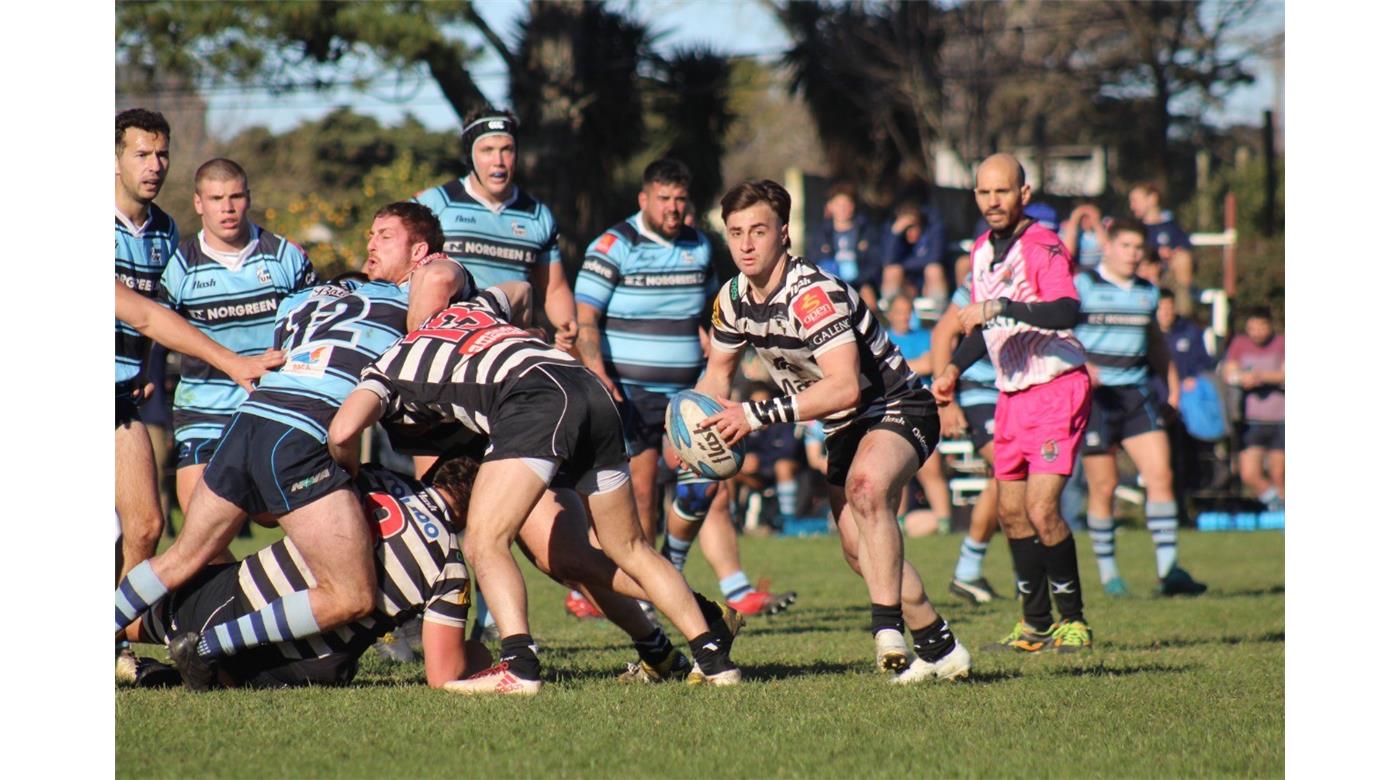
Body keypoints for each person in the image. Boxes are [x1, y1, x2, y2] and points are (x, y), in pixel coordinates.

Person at [328, 278, 744, 693]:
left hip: (532, 402)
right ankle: (713, 659)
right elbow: (521, 288)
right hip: (587, 388)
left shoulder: (387, 364)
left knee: (485, 542)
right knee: (628, 547)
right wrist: (528, 330)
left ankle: (518, 665)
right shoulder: (472, 311)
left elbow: (343, 432)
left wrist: (352, 477)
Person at [113, 203, 465, 690]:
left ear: (418, 248)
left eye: (384, 235)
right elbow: (448, 277)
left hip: (246, 424)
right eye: (371, 233)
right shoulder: (413, 288)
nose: (370, 243)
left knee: (180, 559)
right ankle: (210, 647)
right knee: (352, 595)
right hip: (302, 432)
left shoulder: (307, 298)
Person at [700, 179, 971, 685]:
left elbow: (845, 387)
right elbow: (717, 375)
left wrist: (754, 415)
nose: (746, 244)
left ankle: (886, 630)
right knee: (857, 548)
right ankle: (940, 645)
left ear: (784, 233)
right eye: (735, 232)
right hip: (842, 426)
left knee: (868, 489)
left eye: (758, 230)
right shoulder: (732, 298)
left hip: (896, 405)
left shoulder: (812, 294)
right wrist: (695, 429)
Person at [932, 153, 1094, 654]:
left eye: (1002, 191)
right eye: (984, 192)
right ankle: (1035, 625)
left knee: (1044, 509)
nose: (992, 201)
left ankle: (1075, 622)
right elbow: (986, 326)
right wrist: (954, 369)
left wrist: (999, 305)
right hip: (1012, 394)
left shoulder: (1043, 245)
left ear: (1024, 194)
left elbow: (1069, 308)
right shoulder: (981, 249)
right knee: (1010, 512)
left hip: (1056, 386)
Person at [161, 158, 318, 513]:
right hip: (204, 410)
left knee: (282, 519)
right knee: (197, 519)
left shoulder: (285, 257)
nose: (227, 208)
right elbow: (157, 331)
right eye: (216, 199)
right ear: (199, 204)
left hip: (274, 406)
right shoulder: (179, 267)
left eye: (235, 196)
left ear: (249, 197)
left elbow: (318, 327)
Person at [1074, 217, 1207, 597]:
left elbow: (1157, 345)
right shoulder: (1083, 285)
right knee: (1105, 487)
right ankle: (1109, 574)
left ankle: (1169, 572)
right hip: (1095, 398)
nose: (1133, 255)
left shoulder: (1148, 293)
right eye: (1126, 246)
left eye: (1138, 248)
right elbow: (1061, 334)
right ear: (1109, 246)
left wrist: (1173, 389)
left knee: (1160, 475)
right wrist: (1081, 361)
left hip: (1136, 395)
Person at [414, 106, 576, 352]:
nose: (498, 161)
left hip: (510, 346)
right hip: (448, 343)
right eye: (487, 150)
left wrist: (567, 325)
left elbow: (554, 288)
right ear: (470, 156)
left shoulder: (537, 215)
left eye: (506, 150)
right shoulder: (435, 202)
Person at [115, 108, 180, 583]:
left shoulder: (166, 231)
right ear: (114, 160)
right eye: (142, 154)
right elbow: (142, 314)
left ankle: (115, 645)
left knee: (146, 525)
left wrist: (148, 370)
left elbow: (163, 313)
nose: (154, 164)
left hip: (121, 396)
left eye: (161, 154)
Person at [930, 275, 1005, 605]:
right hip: (980, 392)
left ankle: (973, 572)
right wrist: (946, 402)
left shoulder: (1042, 274)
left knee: (1011, 481)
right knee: (1010, 470)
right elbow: (942, 334)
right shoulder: (980, 278)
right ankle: (968, 570)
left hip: (1021, 391)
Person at [884, 294, 953, 536]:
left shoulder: (924, 337)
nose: (903, 316)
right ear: (890, 314)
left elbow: (931, 364)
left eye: (907, 310)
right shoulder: (883, 338)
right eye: (899, 311)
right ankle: (897, 524)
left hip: (922, 412)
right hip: (891, 411)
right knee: (894, 471)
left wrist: (896, 367)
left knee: (931, 468)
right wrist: (915, 365)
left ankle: (945, 523)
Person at [1222, 307, 1285, 511]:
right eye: (1252, 328)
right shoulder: (1239, 344)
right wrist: (1241, 377)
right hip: (1251, 419)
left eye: (1261, 327)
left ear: (1270, 325)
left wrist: (1259, 376)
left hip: (1280, 417)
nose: (1256, 332)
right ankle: (1278, 504)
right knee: (1249, 472)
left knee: (1279, 474)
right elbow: (1229, 372)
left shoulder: (1282, 343)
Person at [809, 182, 882, 308]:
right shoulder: (820, 234)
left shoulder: (866, 231)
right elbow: (813, 261)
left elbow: (875, 262)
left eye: (846, 204)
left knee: (868, 300)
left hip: (861, 282)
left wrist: (862, 281)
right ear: (830, 206)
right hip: (830, 283)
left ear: (853, 206)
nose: (843, 209)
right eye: (838, 204)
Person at [1128, 182, 1194, 308]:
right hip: (1144, 272)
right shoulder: (1136, 229)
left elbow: (1185, 247)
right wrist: (1155, 253)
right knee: (1146, 267)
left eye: (1135, 201)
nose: (1132, 206)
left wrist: (1172, 253)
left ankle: (1182, 316)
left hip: (1168, 274)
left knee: (1183, 259)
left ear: (1152, 199)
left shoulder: (1171, 226)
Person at [879, 202, 947, 306]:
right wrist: (896, 232)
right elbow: (887, 261)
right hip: (904, 284)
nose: (910, 232)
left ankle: (937, 311)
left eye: (913, 227)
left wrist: (903, 264)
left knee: (934, 269)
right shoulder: (894, 232)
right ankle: (891, 309)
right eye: (905, 228)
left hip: (926, 283)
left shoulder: (933, 228)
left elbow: (935, 257)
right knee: (892, 270)